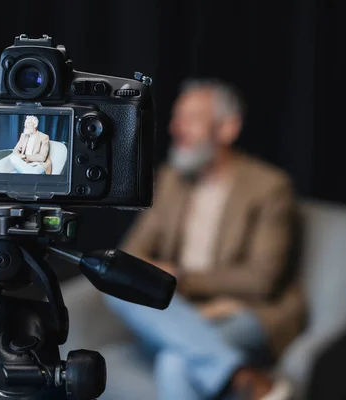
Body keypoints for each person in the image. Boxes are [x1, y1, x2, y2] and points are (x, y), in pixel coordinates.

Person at [100, 79, 306, 400]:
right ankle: (242, 378)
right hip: (179, 311)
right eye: (176, 118)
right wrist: (166, 282)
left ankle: (232, 371)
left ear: (227, 129)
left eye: (191, 119)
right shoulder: (171, 179)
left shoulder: (269, 187)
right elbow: (132, 254)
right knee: (116, 281)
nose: (176, 128)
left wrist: (180, 278)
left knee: (174, 363)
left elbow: (261, 279)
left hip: (243, 311)